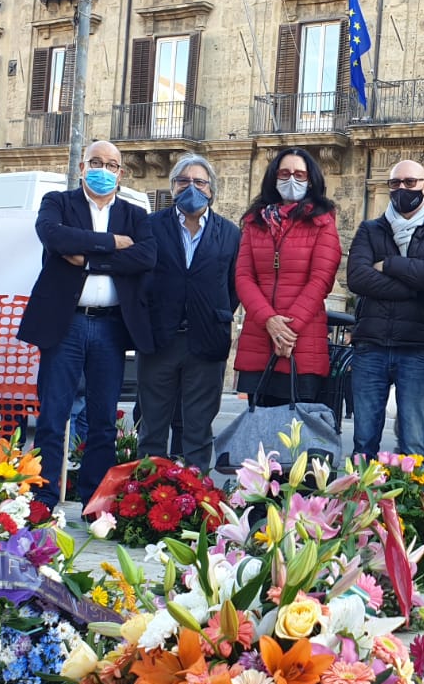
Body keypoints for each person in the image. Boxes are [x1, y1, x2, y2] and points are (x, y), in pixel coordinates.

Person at [17, 141, 157, 508]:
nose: (103, 170)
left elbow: (145, 256)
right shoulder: (58, 203)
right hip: (66, 324)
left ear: (120, 173)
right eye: (96, 162)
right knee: (53, 416)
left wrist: (90, 260)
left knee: (103, 420)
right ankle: (43, 497)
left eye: (111, 165)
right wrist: (113, 242)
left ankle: (95, 501)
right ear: (82, 167)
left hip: (111, 328)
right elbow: (54, 236)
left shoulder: (135, 214)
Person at [346, 159, 424, 456]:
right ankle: (361, 487)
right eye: (395, 183)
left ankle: (411, 488)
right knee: (364, 440)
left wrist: (390, 265)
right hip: (370, 344)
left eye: (410, 182)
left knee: (413, 442)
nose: (402, 188)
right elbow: (357, 278)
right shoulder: (369, 230)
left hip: (417, 347)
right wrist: (416, 287)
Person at [138, 153, 240, 470]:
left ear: (211, 189)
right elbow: (139, 278)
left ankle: (195, 493)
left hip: (207, 339)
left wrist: (210, 312)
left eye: (199, 182)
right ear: (172, 187)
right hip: (159, 340)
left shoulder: (230, 233)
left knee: (198, 430)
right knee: (152, 428)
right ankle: (148, 492)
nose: (191, 187)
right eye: (183, 181)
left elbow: (233, 286)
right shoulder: (150, 226)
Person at [233, 147, 342, 407]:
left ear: (310, 180)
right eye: (284, 173)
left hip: (301, 343)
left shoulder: (323, 223)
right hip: (259, 339)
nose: (291, 179)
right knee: (260, 425)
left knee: (297, 427)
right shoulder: (254, 222)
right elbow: (243, 277)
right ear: (274, 177)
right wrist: (269, 320)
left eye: (299, 174)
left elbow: (321, 281)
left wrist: (286, 332)